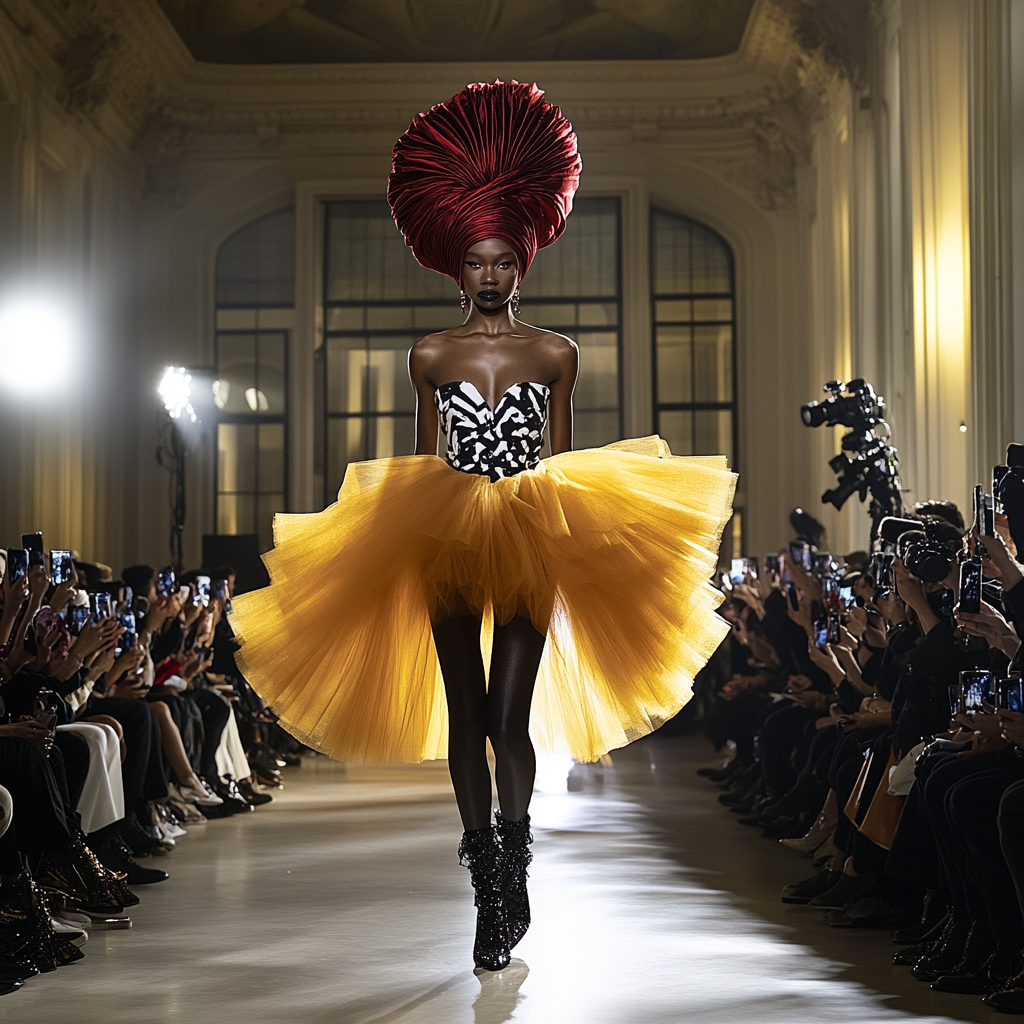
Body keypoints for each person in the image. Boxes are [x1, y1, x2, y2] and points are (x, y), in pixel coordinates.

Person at [229, 80, 735, 972]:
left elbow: (567, 462)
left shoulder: (555, 353)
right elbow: (426, 460)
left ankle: (518, 851)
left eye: (503, 260)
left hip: (535, 527)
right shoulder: (429, 354)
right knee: (465, 709)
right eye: (477, 262)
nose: (490, 274)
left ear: (522, 261)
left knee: (511, 715)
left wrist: (583, 537)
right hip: (443, 531)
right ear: (455, 267)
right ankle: (485, 883)